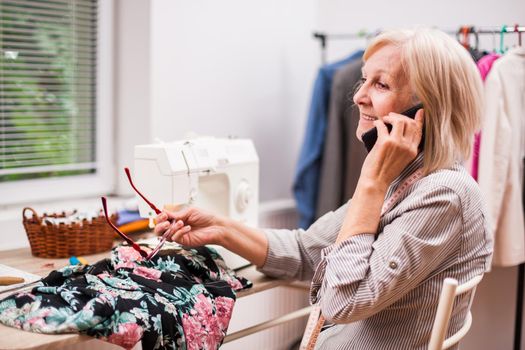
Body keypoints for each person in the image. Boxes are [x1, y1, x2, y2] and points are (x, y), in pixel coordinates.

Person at [154, 28, 493, 349]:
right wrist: (220, 228)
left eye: (381, 84)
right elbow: (307, 251)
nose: (359, 96)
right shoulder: (405, 183)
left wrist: (371, 182)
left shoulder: (443, 195)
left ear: (425, 113)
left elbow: (341, 303)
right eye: (364, 79)